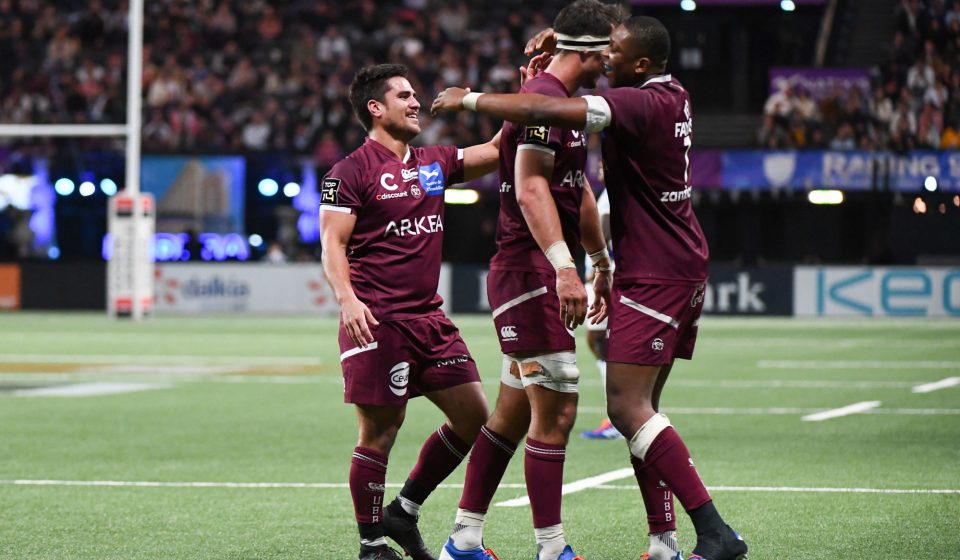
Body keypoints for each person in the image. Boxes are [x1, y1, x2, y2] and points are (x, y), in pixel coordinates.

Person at [432, 15, 749, 560]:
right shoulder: (671, 93)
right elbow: (545, 171)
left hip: (653, 269)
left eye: (616, 53)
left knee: (626, 409)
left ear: (640, 63)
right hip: (646, 265)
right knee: (619, 409)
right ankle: (659, 542)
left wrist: (470, 98)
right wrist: (593, 262)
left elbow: (545, 114)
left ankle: (711, 533)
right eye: (602, 51)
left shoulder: (632, 103)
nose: (607, 59)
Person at [437, 3, 617, 560]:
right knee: (558, 411)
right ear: (586, 52)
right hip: (530, 269)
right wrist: (567, 267)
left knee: (512, 416)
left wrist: (600, 262)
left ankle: (465, 539)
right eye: (608, 49)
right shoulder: (542, 103)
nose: (615, 58)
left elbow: (576, 189)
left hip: (538, 266)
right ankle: (551, 549)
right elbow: (532, 187)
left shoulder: (557, 103)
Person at [320, 63, 501, 560]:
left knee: (475, 419)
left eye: (415, 94)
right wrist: (348, 298)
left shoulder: (431, 163)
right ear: (376, 109)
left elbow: (499, 150)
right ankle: (371, 544)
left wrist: (527, 91)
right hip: (378, 319)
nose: (416, 101)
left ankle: (404, 508)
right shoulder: (349, 172)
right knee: (380, 431)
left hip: (430, 319)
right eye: (404, 95)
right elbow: (332, 244)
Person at [578, 187, 621, 440]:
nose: (599, 166)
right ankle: (619, 414)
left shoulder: (608, 196)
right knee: (599, 341)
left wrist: (599, 266)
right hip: (607, 270)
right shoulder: (611, 192)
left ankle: (617, 418)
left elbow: (604, 227)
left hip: (603, 273)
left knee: (602, 341)